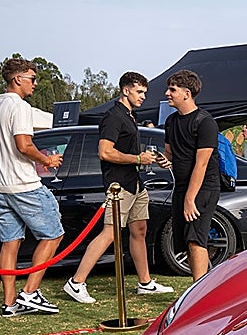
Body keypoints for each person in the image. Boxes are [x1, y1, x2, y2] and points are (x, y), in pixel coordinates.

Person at [62, 72, 174, 304]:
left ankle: (145, 283)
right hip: (118, 185)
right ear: (125, 90)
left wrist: (152, 159)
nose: (143, 96)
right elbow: (105, 152)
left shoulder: (130, 116)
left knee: (139, 230)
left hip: (135, 183)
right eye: (139, 92)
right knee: (109, 233)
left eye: (144, 92)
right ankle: (76, 282)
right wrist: (137, 158)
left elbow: (129, 151)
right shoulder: (113, 116)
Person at [0, 57, 64, 317]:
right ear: (17, 79)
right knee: (53, 235)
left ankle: (10, 303)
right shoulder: (19, 106)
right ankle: (30, 293)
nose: (35, 84)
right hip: (23, 184)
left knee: (10, 242)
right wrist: (47, 160)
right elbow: (24, 145)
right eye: (32, 78)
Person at [162, 69, 220, 280]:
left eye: (172, 89)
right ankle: (201, 286)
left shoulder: (205, 122)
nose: (167, 93)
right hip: (182, 186)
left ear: (187, 93)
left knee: (196, 239)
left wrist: (190, 199)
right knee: (186, 242)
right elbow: (170, 154)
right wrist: (163, 159)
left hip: (204, 187)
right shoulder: (171, 121)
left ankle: (200, 292)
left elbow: (201, 164)